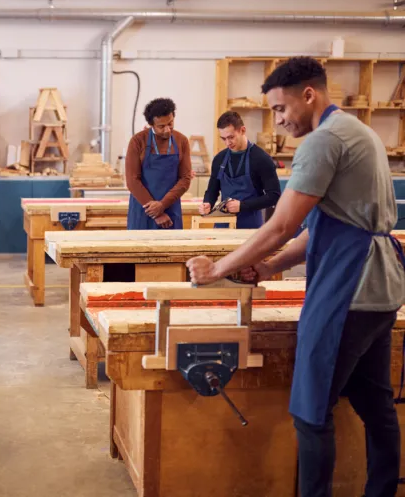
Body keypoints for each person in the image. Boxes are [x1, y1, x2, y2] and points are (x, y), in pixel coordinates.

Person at [186, 57, 405, 497]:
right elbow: (327, 229)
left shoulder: (323, 142)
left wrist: (218, 268)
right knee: (375, 404)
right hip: (381, 286)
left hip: (350, 289)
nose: (279, 120)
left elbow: (281, 225)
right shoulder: (360, 133)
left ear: (310, 95)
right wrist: (267, 268)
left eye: (281, 109)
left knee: (310, 412)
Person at [199, 111, 281, 229]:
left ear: (242, 130)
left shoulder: (261, 159)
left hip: (250, 226)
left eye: (231, 137)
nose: (227, 143)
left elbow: (274, 196)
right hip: (223, 225)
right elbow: (212, 190)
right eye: (223, 139)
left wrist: (242, 206)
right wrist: (207, 203)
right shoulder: (219, 159)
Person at [125, 98, 192, 229]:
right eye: (161, 126)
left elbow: (185, 178)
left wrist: (162, 205)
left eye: (170, 123)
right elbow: (132, 180)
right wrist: (156, 213)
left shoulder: (181, 141)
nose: (167, 129)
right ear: (151, 125)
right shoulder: (138, 141)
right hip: (143, 209)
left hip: (171, 210)